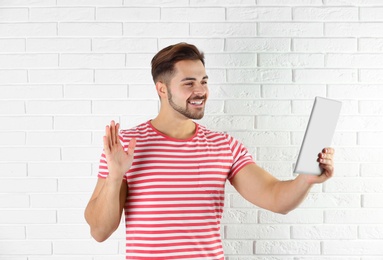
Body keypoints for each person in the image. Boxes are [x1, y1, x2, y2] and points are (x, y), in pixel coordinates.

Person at [84, 42, 335, 260]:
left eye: (204, 81)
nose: (201, 91)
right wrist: (116, 175)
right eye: (189, 83)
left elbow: (276, 199)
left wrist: (306, 179)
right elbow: (100, 231)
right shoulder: (126, 145)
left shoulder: (225, 146)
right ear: (162, 89)